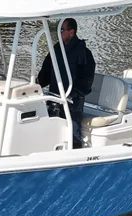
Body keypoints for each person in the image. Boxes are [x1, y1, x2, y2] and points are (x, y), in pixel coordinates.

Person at [37, 18, 96, 149]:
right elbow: (46, 71)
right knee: (52, 130)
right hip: (54, 97)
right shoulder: (57, 49)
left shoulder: (84, 53)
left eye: (62, 30)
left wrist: (73, 94)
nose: (59, 32)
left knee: (72, 133)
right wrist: (36, 85)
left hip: (72, 101)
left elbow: (87, 79)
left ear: (71, 32)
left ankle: (75, 156)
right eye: (58, 30)